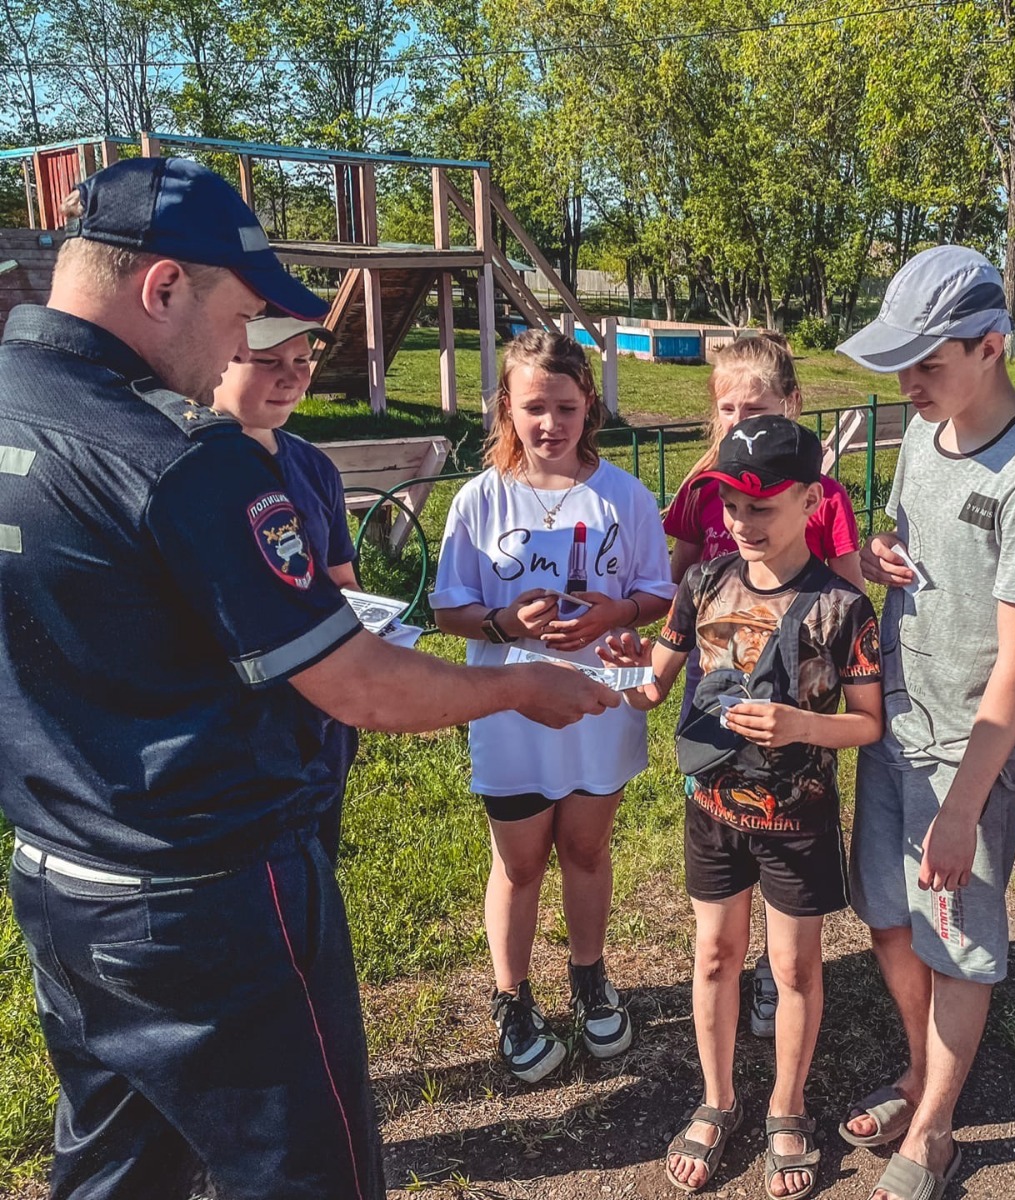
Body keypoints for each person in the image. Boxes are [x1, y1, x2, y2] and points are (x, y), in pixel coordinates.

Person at [0, 156, 617, 1200]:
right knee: (304, 1170)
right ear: (162, 288)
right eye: (238, 316)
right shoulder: (180, 459)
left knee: (115, 1165)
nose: (242, 349)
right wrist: (517, 687)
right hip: (211, 904)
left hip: (59, 878)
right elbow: (358, 686)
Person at [836, 245, 1015, 1200]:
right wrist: (875, 555)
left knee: (958, 941)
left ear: (992, 346)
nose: (909, 385)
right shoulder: (916, 437)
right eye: (903, 365)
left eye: (928, 365)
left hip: (965, 753)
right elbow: (884, 548)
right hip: (893, 727)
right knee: (890, 920)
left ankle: (934, 1129)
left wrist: (962, 809)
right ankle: (921, 1070)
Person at [600, 415, 883, 1199]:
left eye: (762, 506)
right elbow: (659, 683)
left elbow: (869, 722)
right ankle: (717, 1099)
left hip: (798, 820)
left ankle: (787, 1109)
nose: (741, 524)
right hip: (713, 810)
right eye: (731, 505)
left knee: (793, 966)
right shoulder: (703, 583)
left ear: (810, 502)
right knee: (715, 956)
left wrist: (803, 726)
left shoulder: (843, 606)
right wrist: (633, 669)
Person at [431, 328, 675, 1083]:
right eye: (534, 406)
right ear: (507, 405)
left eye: (565, 407)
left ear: (588, 406)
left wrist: (612, 615)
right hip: (509, 711)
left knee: (586, 850)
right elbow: (449, 608)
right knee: (521, 859)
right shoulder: (480, 498)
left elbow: (659, 593)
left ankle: (590, 976)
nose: (550, 424)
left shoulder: (624, 495)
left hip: (601, 707)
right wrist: (505, 623)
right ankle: (512, 996)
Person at [662, 333, 865, 1040]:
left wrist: (811, 699)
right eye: (727, 408)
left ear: (791, 405)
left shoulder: (824, 497)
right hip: (716, 703)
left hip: (794, 706)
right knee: (716, 918)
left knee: (790, 945)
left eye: (756, 406)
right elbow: (677, 586)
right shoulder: (701, 491)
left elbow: (844, 602)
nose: (740, 420)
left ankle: (774, 984)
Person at [209, 314, 358, 864]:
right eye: (267, 361)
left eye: (301, 362)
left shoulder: (314, 466)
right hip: (242, 727)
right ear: (218, 357)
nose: (291, 378)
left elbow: (342, 576)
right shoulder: (188, 466)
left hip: (323, 714)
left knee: (317, 862)